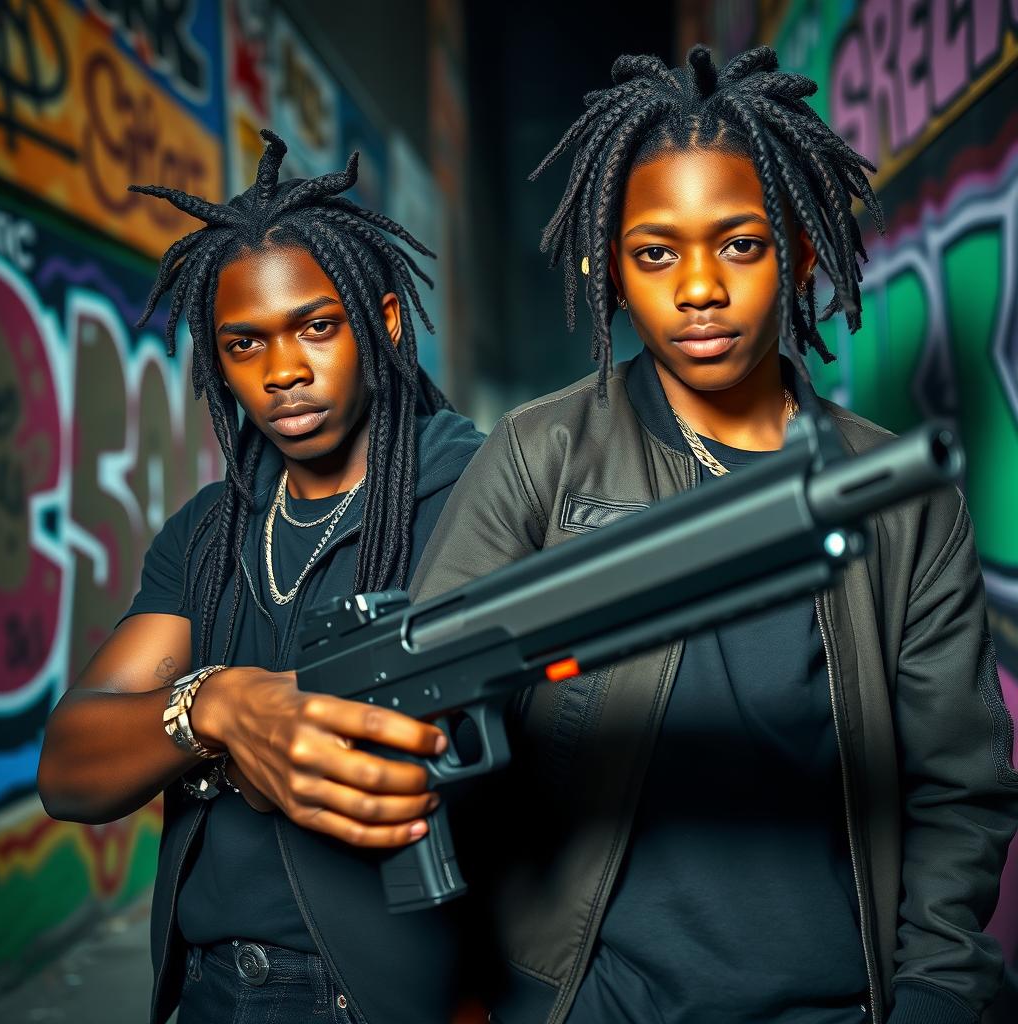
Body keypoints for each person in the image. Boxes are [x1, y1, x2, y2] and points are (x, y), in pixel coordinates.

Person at [410, 47, 1018, 1024]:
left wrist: (935, 993)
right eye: (656, 252)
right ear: (612, 265)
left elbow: (958, 787)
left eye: (738, 244)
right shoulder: (537, 457)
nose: (698, 287)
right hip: (590, 1002)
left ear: (803, 252)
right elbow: (424, 708)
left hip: (838, 1004)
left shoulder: (898, 497)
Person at [38, 130, 483, 1024]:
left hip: (388, 999)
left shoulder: (483, 495)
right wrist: (216, 706)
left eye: (317, 327)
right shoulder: (210, 535)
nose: (283, 372)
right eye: (245, 345)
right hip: (207, 990)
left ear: (385, 321)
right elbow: (71, 766)